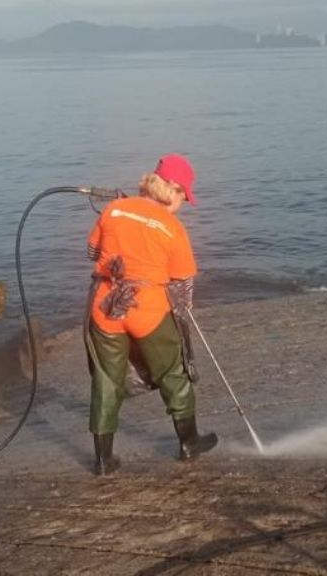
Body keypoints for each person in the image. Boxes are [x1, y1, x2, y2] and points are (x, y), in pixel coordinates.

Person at [84, 153, 218, 476]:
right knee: (174, 373)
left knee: (105, 381)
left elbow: (91, 252)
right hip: (148, 311)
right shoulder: (172, 228)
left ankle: (103, 461)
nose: (183, 202)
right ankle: (188, 444)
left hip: (106, 308)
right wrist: (182, 325)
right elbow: (183, 286)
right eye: (183, 195)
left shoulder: (114, 209)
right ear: (170, 189)